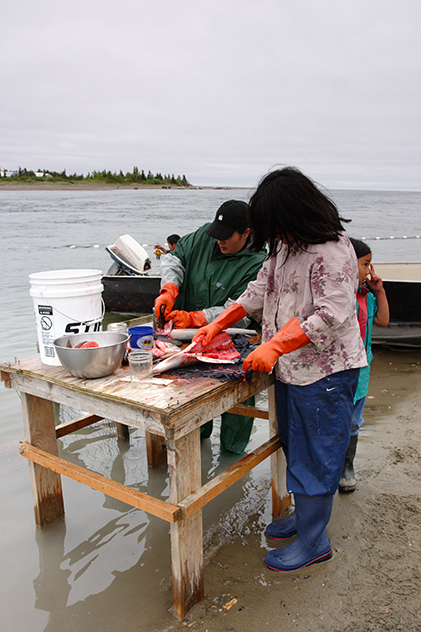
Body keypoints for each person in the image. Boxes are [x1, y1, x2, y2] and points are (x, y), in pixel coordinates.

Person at [192, 167, 367, 572]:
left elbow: (332, 315)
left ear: (296, 216)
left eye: (277, 228)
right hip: (289, 369)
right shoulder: (284, 247)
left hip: (325, 373)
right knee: (293, 442)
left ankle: (314, 540)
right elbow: (259, 289)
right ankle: (305, 519)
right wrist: (219, 322)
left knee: (317, 453)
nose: (274, 237)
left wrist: (274, 345)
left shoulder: (332, 251)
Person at [153, 200, 266, 453]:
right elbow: (174, 259)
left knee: (237, 409)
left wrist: (196, 318)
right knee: (190, 409)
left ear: (246, 233)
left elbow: (241, 310)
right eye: (217, 235)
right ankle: (198, 444)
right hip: (185, 341)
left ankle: (233, 458)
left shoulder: (258, 262)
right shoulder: (206, 236)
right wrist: (169, 288)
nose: (219, 242)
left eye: (226, 237)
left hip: (233, 345)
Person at [338, 238, 390, 493]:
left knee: (353, 421)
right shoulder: (339, 296)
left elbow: (382, 320)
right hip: (340, 369)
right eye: (365, 264)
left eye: (371, 264)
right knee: (337, 419)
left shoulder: (365, 295)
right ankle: (332, 465)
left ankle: (347, 467)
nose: (370, 271)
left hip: (363, 368)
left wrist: (379, 291)